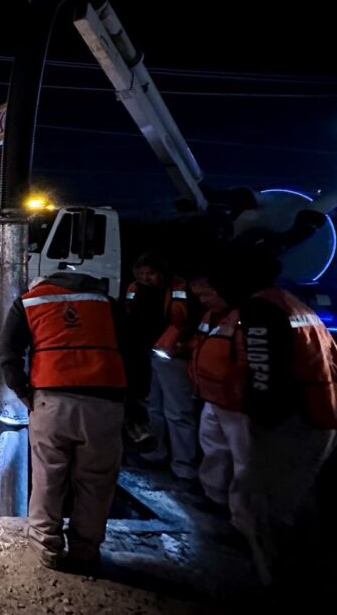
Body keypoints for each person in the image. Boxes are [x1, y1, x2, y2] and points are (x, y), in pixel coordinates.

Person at [189, 249, 337, 584]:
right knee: (292, 500)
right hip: (316, 411)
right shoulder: (289, 303)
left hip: (291, 421)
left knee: (273, 506)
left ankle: (279, 580)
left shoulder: (260, 309)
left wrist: (259, 420)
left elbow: (264, 373)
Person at [0, 271, 134, 571]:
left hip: (52, 399)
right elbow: (134, 352)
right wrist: (133, 401)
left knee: (48, 476)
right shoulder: (107, 303)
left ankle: (46, 547)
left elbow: (6, 352)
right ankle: (86, 550)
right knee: (96, 481)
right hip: (105, 402)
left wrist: (22, 391)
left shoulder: (30, 301)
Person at [123, 253, 199, 481]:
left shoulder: (179, 288)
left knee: (178, 411)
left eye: (151, 273)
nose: (146, 278)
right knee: (153, 406)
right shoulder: (135, 288)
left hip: (171, 355)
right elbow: (129, 316)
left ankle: (184, 466)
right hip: (147, 354)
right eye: (142, 273)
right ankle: (155, 453)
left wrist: (180, 344)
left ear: (161, 272)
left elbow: (185, 321)